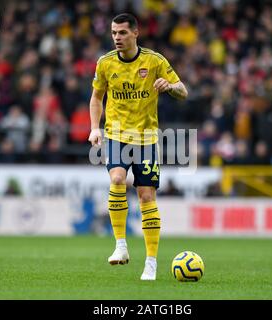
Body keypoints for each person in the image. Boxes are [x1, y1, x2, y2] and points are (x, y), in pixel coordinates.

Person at [88, 13, 188, 280]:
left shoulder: (154, 61)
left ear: (135, 33)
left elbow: (183, 91)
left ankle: (151, 263)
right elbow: (96, 98)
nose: (117, 38)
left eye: (122, 33)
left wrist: (169, 87)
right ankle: (120, 245)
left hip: (146, 139)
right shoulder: (105, 63)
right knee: (117, 179)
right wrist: (95, 128)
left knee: (146, 197)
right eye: (113, 33)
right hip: (117, 135)